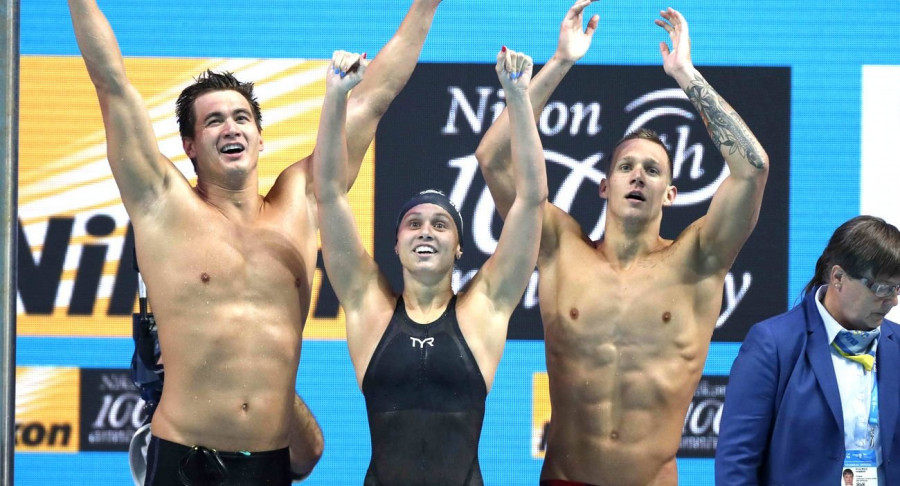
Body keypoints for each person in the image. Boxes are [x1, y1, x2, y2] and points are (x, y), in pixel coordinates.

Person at [66, 0, 446, 483]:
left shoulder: (303, 202)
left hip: (269, 463)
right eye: (214, 121)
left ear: (261, 138)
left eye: (242, 118)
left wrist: (425, 7)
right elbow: (111, 81)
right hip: (183, 459)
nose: (231, 128)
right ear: (190, 146)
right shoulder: (161, 204)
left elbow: (373, 98)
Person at [475, 4, 769, 485]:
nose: (638, 176)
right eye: (626, 167)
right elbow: (493, 158)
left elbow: (753, 168)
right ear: (604, 186)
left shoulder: (697, 259)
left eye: (653, 170)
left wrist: (686, 75)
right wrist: (561, 62)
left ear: (671, 194)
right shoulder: (557, 247)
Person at [313, 45, 546, 485]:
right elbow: (327, 190)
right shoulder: (368, 304)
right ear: (396, 245)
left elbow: (531, 201)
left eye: (440, 225)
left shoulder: (486, 308)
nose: (425, 231)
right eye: (413, 224)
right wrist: (335, 98)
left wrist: (518, 98)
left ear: (459, 248)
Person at [715, 215, 900, 485]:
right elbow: (737, 462)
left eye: (897, 288)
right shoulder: (773, 344)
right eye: (882, 288)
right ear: (838, 277)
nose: (893, 301)